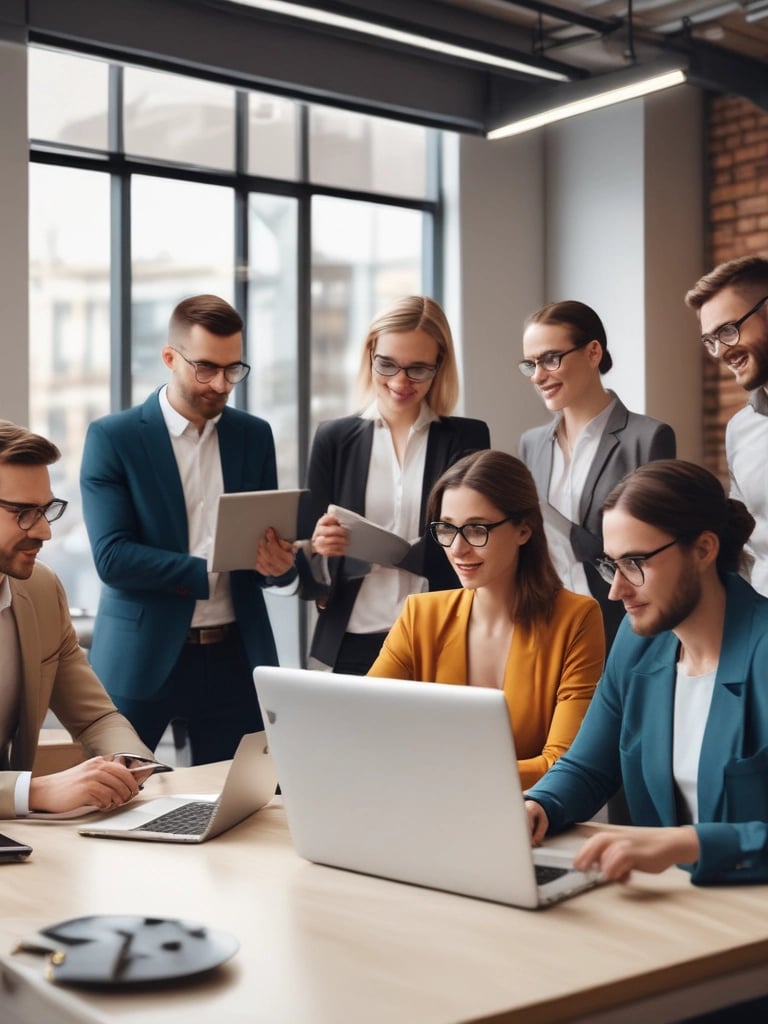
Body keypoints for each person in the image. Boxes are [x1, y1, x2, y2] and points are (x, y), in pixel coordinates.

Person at [525, 459, 768, 886]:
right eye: (611, 564)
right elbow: (588, 767)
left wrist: (685, 844)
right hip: (668, 900)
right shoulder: (637, 644)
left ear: (704, 550)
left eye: (636, 562)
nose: (617, 590)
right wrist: (538, 805)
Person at [80, 294, 296, 765]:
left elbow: (263, 553)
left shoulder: (253, 435)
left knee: (241, 808)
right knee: (113, 796)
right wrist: (207, 570)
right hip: (140, 658)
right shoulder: (113, 438)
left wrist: (278, 566)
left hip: (235, 658)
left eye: (233, 369)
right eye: (205, 368)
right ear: (169, 358)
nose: (220, 384)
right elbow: (112, 558)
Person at [369, 450, 605, 788]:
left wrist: (449, 776)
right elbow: (365, 724)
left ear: (524, 530)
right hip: (424, 811)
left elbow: (562, 763)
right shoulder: (420, 615)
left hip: (526, 822)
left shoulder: (576, 619)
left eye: (477, 530)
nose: (457, 549)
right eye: (447, 529)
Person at [300, 295, 490, 674]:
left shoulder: (467, 438)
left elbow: (476, 536)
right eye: (387, 364)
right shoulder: (333, 439)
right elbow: (308, 563)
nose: (400, 382)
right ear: (370, 353)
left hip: (440, 634)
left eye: (418, 369)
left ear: (440, 366)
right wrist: (320, 549)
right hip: (353, 637)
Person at [0, 420, 155, 817]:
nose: (45, 532)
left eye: (45, 510)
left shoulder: (40, 589)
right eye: (22, 513)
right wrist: (33, 792)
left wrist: (127, 762)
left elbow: (95, 717)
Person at [518, 300, 676, 650]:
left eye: (550, 359)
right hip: (546, 627)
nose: (538, 375)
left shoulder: (648, 438)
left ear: (592, 352)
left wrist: (570, 534)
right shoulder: (531, 444)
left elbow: (655, 551)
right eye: (530, 364)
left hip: (620, 626)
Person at [685, 255, 768, 596]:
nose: (720, 351)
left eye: (728, 331)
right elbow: (745, 544)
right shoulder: (739, 430)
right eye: (710, 340)